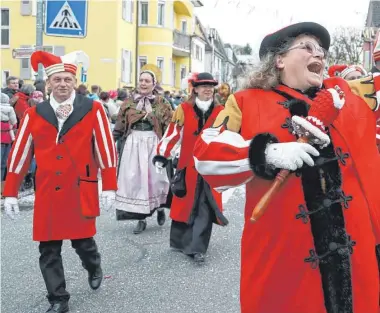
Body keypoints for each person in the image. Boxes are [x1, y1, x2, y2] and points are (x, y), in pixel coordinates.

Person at [193, 22, 380, 313]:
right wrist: (265, 153)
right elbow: (205, 154)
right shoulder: (244, 102)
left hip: (356, 258)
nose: (318, 53)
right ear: (279, 60)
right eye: (307, 47)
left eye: (321, 50)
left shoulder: (343, 98)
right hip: (284, 261)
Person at [2, 50, 117, 313]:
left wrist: (109, 185)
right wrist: (10, 191)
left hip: (80, 188)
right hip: (47, 191)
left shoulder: (93, 108)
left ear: (74, 82)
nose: (62, 84)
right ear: (48, 84)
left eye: (67, 79)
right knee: (48, 248)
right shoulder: (34, 113)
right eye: (57, 80)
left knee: (82, 243)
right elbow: (20, 153)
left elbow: (105, 147)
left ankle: (93, 264)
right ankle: (58, 298)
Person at [154, 72, 228, 263]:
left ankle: (197, 248)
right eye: (203, 86)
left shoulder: (222, 111)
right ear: (195, 89)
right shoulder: (183, 109)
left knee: (205, 206)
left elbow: (228, 138)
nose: (208, 90)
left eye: (211, 87)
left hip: (210, 168)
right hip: (187, 167)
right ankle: (179, 242)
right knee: (184, 204)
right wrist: (162, 155)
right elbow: (173, 134)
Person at [113, 65, 172, 234]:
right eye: (141, 80)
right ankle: (141, 218)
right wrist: (112, 140)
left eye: (147, 81)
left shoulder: (162, 103)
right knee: (136, 181)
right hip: (133, 143)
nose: (143, 83)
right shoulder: (129, 102)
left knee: (156, 179)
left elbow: (169, 126)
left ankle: (160, 208)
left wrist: (170, 146)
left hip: (153, 142)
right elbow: (120, 124)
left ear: (154, 84)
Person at [0, 93, 17, 191]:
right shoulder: (10, 109)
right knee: (3, 164)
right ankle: (1, 186)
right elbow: (14, 123)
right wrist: (9, 126)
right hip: (7, 139)